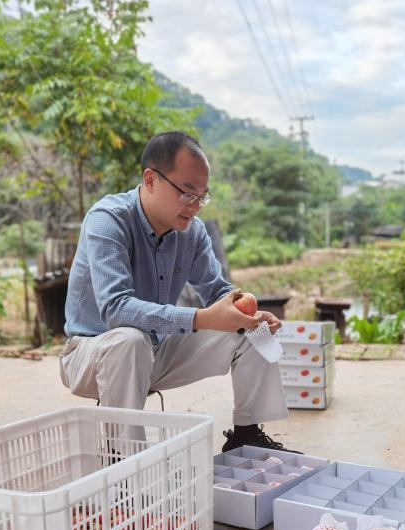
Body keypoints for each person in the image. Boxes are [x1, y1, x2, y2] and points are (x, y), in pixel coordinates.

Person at [60, 131, 297, 453]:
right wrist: (201, 318)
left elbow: (216, 290)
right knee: (130, 339)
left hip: (155, 352)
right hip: (93, 354)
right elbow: (115, 309)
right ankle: (122, 457)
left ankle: (246, 435)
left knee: (249, 330)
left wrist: (245, 313)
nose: (196, 206)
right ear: (151, 179)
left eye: (202, 196)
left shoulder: (193, 233)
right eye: (187, 193)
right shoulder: (108, 220)